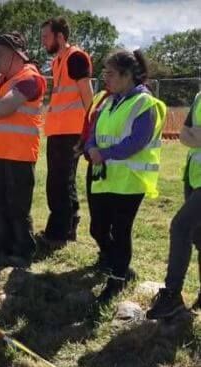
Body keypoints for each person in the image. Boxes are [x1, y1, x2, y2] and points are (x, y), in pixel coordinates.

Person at [84, 49, 166, 303]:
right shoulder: (109, 101)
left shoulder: (145, 104)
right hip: (106, 176)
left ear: (127, 75)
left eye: (109, 73)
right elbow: (93, 133)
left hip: (130, 181)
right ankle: (115, 263)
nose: (104, 78)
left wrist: (103, 153)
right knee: (97, 228)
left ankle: (118, 279)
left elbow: (136, 142)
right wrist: (91, 148)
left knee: (121, 231)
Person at [0, 32, 46, 267]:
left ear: (16, 54)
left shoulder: (30, 79)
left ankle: (23, 250)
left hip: (20, 155)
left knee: (17, 206)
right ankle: (3, 247)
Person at [146, 89, 201, 318]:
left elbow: (192, 136)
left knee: (180, 226)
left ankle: (172, 295)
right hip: (194, 176)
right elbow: (183, 134)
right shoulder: (199, 96)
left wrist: (194, 136)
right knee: (199, 237)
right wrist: (193, 135)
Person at [41, 17, 93, 245]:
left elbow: (88, 96)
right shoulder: (57, 61)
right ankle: (69, 226)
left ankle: (58, 233)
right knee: (61, 181)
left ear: (60, 37)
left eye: (46, 36)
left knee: (59, 183)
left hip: (71, 131)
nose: (43, 41)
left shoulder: (76, 58)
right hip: (57, 130)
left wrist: (89, 131)